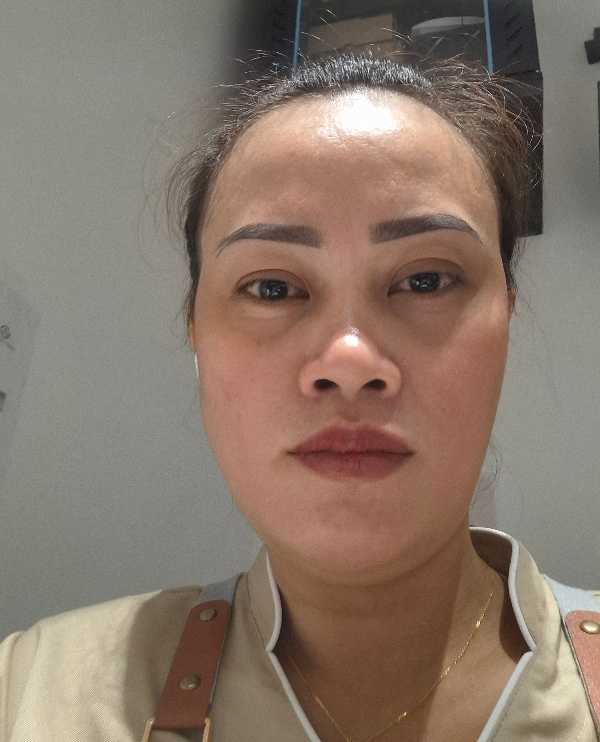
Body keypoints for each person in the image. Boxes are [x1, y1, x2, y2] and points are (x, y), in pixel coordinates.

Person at [1, 53, 599, 742]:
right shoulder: (29, 691)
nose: (349, 363)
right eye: (273, 288)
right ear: (196, 334)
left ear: (506, 318)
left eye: (426, 280)